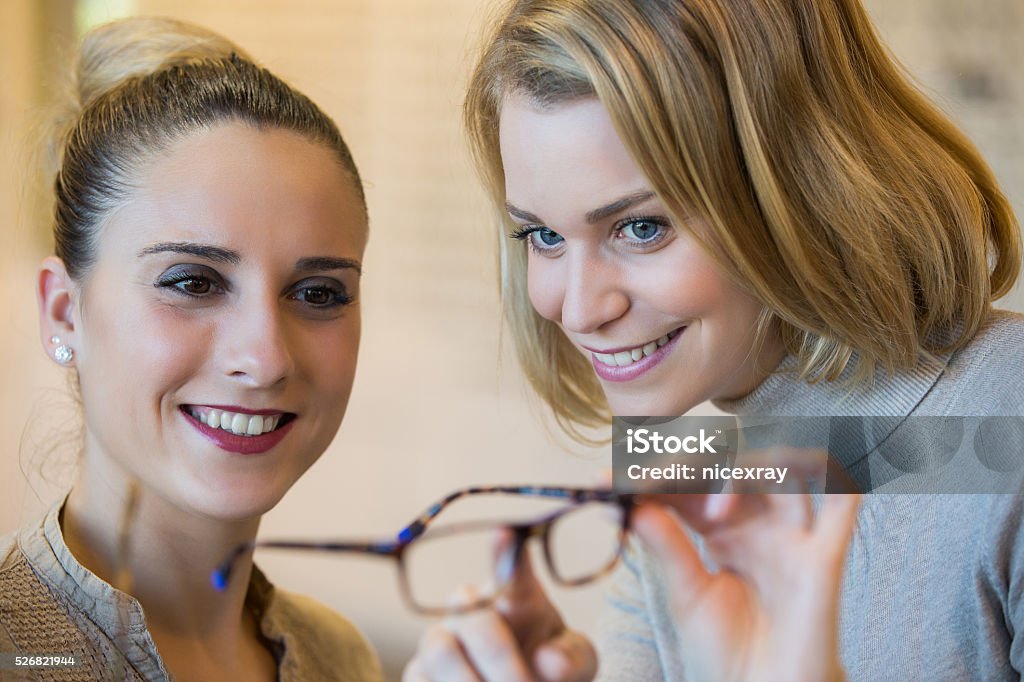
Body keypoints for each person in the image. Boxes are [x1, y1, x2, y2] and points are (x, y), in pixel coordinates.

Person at [405, 0, 1024, 680]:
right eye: (543, 236)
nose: (579, 309)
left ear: (799, 185)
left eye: (641, 228)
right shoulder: (694, 482)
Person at [0, 17, 383, 681]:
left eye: (318, 293)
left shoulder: (340, 659)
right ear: (64, 313)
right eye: (193, 283)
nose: (265, 360)